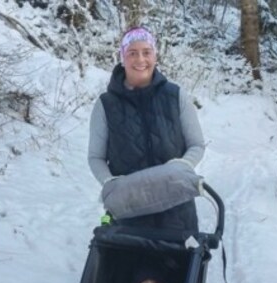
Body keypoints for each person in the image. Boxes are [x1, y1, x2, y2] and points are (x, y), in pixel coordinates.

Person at [88, 26, 206, 231]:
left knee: (180, 262)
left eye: (146, 52)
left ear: (155, 56)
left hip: (177, 206)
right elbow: (95, 157)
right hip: (128, 208)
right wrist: (111, 183)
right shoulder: (105, 105)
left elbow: (196, 145)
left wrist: (180, 167)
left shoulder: (176, 96)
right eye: (132, 53)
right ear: (122, 57)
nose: (140, 59)